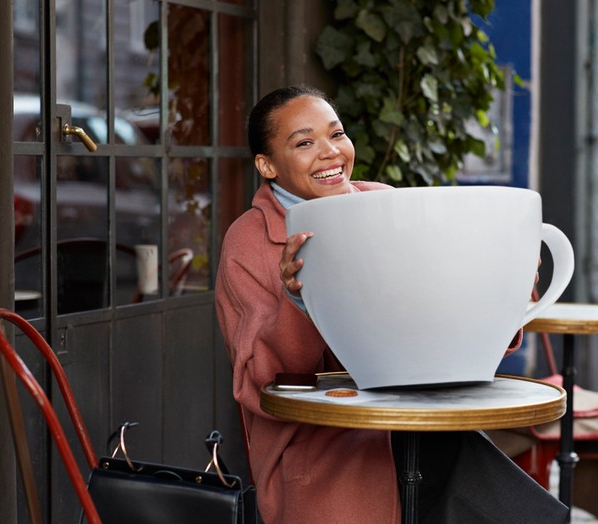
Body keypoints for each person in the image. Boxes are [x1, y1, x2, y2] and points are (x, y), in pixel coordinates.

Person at [215, 85, 567, 523]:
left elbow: (443, 333)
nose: (330, 152)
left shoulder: (386, 203)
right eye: (304, 143)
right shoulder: (248, 243)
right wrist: (296, 300)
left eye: (336, 134)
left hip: (422, 433)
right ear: (267, 165)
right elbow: (259, 385)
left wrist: (505, 287)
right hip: (327, 459)